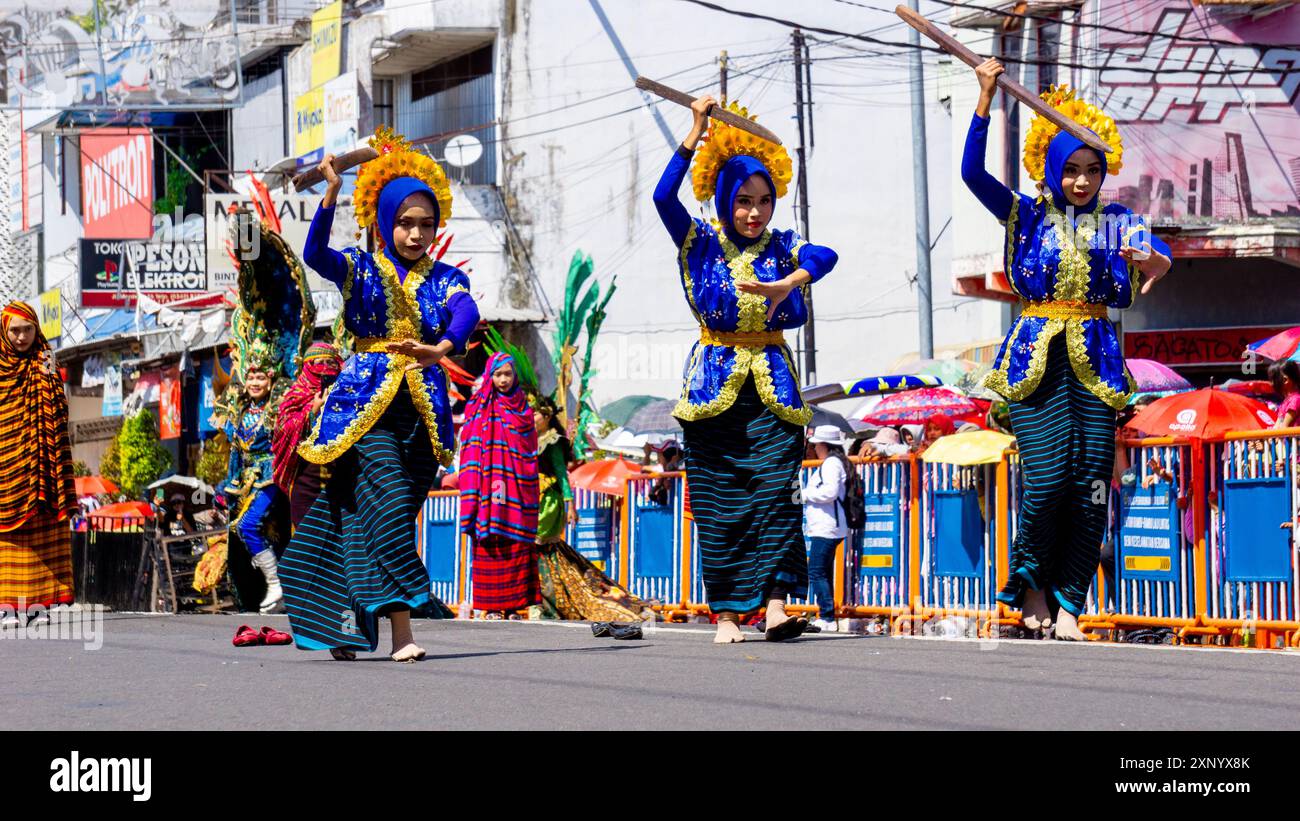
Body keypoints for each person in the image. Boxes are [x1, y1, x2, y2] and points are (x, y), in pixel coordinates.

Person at [963, 59, 1172, 640]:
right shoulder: (1025, 215)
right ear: (1053, 168)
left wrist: (1151, 261)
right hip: (1036, 364)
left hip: (1098, 365)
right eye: (1072, 170)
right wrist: (984, 98)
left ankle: (1070, 604)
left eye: (1091, 170)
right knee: (1050, 480)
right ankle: (1032, 586)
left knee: (1091, 486)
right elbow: (971, 173)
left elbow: (1157, 255)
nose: (1082, 181)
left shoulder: (1115, 222)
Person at [280, 126, 480, 662]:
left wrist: (443, 347)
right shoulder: (359, 267)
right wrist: (330, 192)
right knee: (389, 508)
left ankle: (343, 625)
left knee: (371, 518)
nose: (416, 234)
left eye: (426, 225)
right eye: (406, 223)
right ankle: (408, 628)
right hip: (364, 411)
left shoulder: (443, 279)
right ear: (385, 223)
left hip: (423, 415)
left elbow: (467, 311)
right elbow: (314, 251)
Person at [653, 93, 838, 644]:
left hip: (775, 386)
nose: (754, 213)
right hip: (712, 384)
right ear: (724, 199)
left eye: (764, 201)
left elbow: (825, 256)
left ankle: (777, 605)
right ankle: (730, 613)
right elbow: (664, 196)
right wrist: (694, 132)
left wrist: (790, 283)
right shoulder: (700, 242)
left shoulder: (785, 247)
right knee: (722, 502)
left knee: (778, 492)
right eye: (744, 201)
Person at [531, 395, 652, 622]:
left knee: (542, 551)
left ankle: (551, 603)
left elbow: (561, 475)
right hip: (531, 499)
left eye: (535, 413)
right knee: (541, 555)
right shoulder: (527, 440)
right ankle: (544, 601)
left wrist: (570, 505)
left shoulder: (553, 441)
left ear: (547, 416)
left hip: (548, 502)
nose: (531, 417)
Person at [0, 302, 76, 626]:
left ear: (37, 330)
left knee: (47, 528)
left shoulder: (46, 359)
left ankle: (48, 601)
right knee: (8, 535)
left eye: (27, 330)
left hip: (44, 462)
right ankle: (7, 606)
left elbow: (59, 409)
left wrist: (50, 376)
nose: (21, 337)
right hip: (5, 467)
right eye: (14, 330)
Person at [458, 353, 540, 619]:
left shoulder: (523, 409)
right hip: (486, 488)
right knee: (490, 541)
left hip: (516, 487)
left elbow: (528, 450)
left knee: (515, 542)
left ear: (515, 376)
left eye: (507, 374)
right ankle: (492, 606)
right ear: (490, 376)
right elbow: (468, 443)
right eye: (497, 374)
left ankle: (515, 605)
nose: (503, 379)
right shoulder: (477, 406)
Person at [220, 361, 286, 614]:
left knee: (248, 524)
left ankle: (275, 582)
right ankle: (270, 589)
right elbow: (235, 453)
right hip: (245, 481)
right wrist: (228, 484)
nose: (255, 383)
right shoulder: (240, 412)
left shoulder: (277, 410)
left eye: (260, 378)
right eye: (251, 378)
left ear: (270, 382)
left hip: (270, 477)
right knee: (246, 532)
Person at [271, 341, 344, 528]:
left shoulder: (347, 394)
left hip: (341, 481)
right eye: (319, 362)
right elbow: (282, 431)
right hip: (306, 479)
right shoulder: (296, 396)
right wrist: (312, 410)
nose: (325, 368)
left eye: (331, 363)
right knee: (306, 541)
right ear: (307, 366)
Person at [802, 425, 850, 632]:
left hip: (827, 526)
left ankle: (827, 616)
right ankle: (827, 615)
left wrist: (804, 495)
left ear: (822, 444)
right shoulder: (832, 463)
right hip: (827, 526)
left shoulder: (831, 464)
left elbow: (829, 492)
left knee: (816, 571)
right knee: (823, 571)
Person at [1269, 360, 1300, 429]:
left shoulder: (1295, 400)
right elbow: (1277, 426)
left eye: (1273, 379)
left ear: (1285, 380)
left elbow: (1284, 428)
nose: (1272, 383)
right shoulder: (1287, 401)